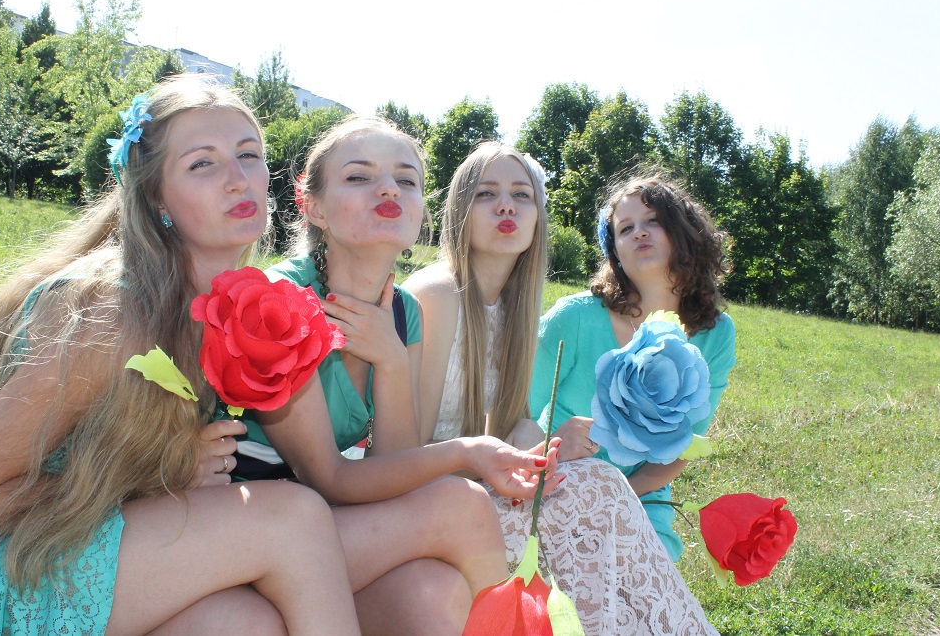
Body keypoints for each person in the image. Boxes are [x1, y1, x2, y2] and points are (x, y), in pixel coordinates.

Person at [0, 74, 361, 634]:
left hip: (78, 536)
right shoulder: (110, 314)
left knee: (241, 623)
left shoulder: (219, 305)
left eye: (249, 155)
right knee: (293, 519)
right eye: (202, 164)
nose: (238, 178)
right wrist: (163, 475)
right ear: (157, 201)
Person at [227, 116, 560, 635]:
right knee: (461, 505)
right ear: (313, 207)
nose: (389, 189)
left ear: (423, 208)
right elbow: (329, 479)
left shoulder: (403, 311)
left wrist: (390, 358)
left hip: (326, 527)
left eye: (406, 180)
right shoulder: (277, 302)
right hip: (247, 532)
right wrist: (467, 451)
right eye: (359, 177)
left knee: (433, 592)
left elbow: (393, 468)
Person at [404, 143, 719, 635]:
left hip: (480, 485)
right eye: (486, 194)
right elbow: (407, 457)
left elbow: (513, 427)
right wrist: (536, 454)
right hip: (432, 497)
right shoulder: (439, 294)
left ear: (538, 216)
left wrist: (545, 451)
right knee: (596, 491)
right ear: (458, 210)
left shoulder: (514, 308)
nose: (506, 206)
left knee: (596, 489)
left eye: (521, 194)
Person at [531, 169, 737, 562]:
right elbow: (514, 414)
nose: (639, 232)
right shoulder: (574, 318)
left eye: (653, 221)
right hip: (556, 477)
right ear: (616, 254)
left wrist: (617, 496)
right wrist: (548, 448)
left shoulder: (716, 334)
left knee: (647, 574)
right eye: (625, 229)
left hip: (642, 493)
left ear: (684, 233)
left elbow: (685, 445)